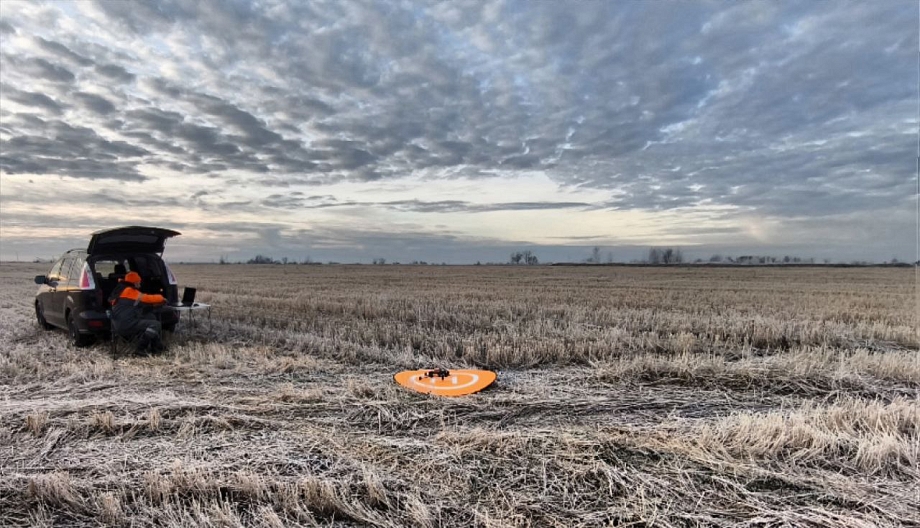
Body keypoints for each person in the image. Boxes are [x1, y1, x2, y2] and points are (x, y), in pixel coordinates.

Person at [109, 271, 167, 354]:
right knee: (156, 324)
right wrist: (162, 298)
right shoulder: (129, 291)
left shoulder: (121, 289)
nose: (140, 284)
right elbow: (148, 298)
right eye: (139, 282)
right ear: (135, 282)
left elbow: (134, 304)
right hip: (126, 324)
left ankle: (157, 347)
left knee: (151, 317)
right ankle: (140, 349)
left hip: (117, 323)